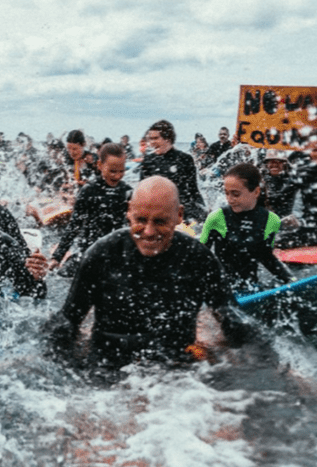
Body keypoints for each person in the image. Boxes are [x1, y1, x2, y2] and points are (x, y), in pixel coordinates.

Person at [45, 176, 253, 370]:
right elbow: (67, 323)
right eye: (141, 220)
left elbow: (235, 323)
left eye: (160, 222)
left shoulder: (199, 259)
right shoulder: (101, 255)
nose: (149, 231)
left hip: (175, 372)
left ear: (179, 216)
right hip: (108, 368)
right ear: (128, 211)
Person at [199, 163, 294, 291]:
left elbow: (267, 258)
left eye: (236, 194)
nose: (230, 199)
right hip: (221, 288)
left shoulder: (271, 220)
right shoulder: (216, 218)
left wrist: (291, 281)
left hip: (251, 287)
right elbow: (199, 258)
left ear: (256, 192)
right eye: (226, 193)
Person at [49, 143, 133, 273]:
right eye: (112, 171)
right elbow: (74, 225)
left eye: (121, 171)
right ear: (100, 165)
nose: (117, 176)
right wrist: (57, 256)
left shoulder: (127, 192)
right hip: (90, 250)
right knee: (62, 274)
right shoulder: (89, 191)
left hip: (116, 252)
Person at [139, 120, 207, 222]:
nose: (151, 142)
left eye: (155, 138)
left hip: (182, 211)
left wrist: (203, 211)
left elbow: (193, 190)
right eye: (150, 139)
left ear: (167, 138)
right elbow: (142, 191)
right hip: (157, 211)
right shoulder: (148, 161)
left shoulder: (184, 159)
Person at [260, 150, 297, 218]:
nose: (274, 164)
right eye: (271, 161)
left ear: (285, 164)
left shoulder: (292, 181)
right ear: (266, 164)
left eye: (278, 161)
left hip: (285, 221)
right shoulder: (261, 179)